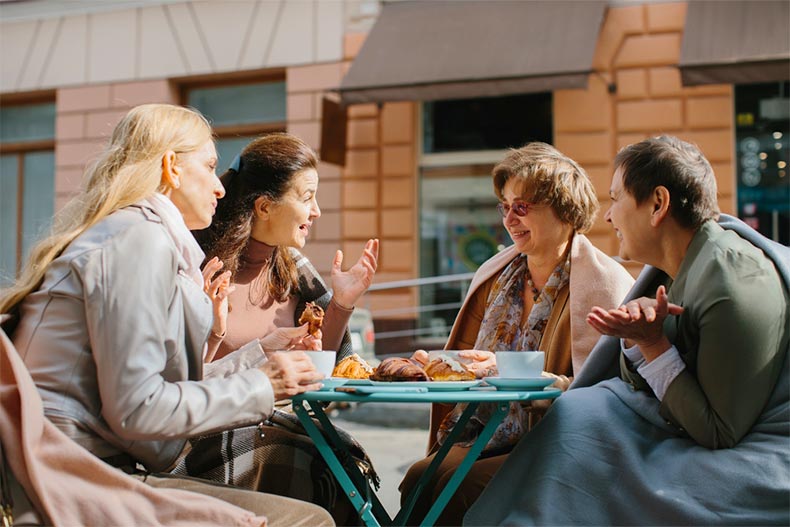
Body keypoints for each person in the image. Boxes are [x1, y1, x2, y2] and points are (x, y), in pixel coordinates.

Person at [0, 103, 333, 527]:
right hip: (69, 479)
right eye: (210, 167)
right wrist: (263, 385)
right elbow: (140, 410)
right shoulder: (138, 240)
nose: (220, 187)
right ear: (171, 168)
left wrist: (261, 359)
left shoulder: (137, 236)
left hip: (85, 467)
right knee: (311, 519)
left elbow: (154, 393)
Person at [464, 136, 790, 526]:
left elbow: (718, 432)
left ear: (657, 204)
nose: (608, 216)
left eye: (616, 198)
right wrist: (643, 343)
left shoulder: (731, 284)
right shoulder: (683, 267)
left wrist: (650, 344)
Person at [399, 142, 635, 525]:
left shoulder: (605, 284)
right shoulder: (496, 275)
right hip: (486, 431)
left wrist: (514, 374)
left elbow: (610, 396)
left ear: (564, 209)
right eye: (505, 207)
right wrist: (442, 365)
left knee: (460, 488)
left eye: (522, 206)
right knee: (419, 479)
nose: (510, 219)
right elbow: (464, 361)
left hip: (558, 443)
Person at [187, 132, 378, 524]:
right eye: (306, 197)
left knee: (329, 458)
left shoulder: (293, 267)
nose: (317, 211)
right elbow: (176, 384)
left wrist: (340, 305)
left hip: (277, 425)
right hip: (201, 438)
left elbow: (326, 368)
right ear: (264, 207)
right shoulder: (196, 265)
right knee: (307, 457)